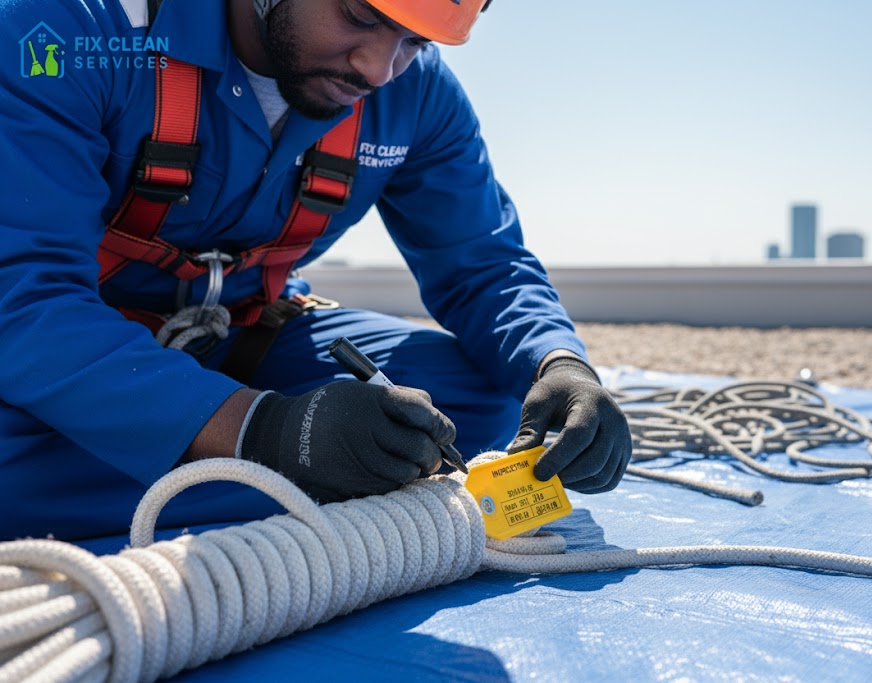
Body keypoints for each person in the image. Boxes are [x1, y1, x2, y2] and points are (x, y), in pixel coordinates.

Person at [0, 0, 631, 541]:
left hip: (240, 336)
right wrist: (268, 432)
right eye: (359, 16)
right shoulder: (71, 30)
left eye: (414, 40)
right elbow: (23, 297)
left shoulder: (417, 96)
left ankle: (168, 473)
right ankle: (284, 472)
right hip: (67, 352)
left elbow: (482, 261)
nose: (378, 69)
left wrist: (558, 363)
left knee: (473, 404)